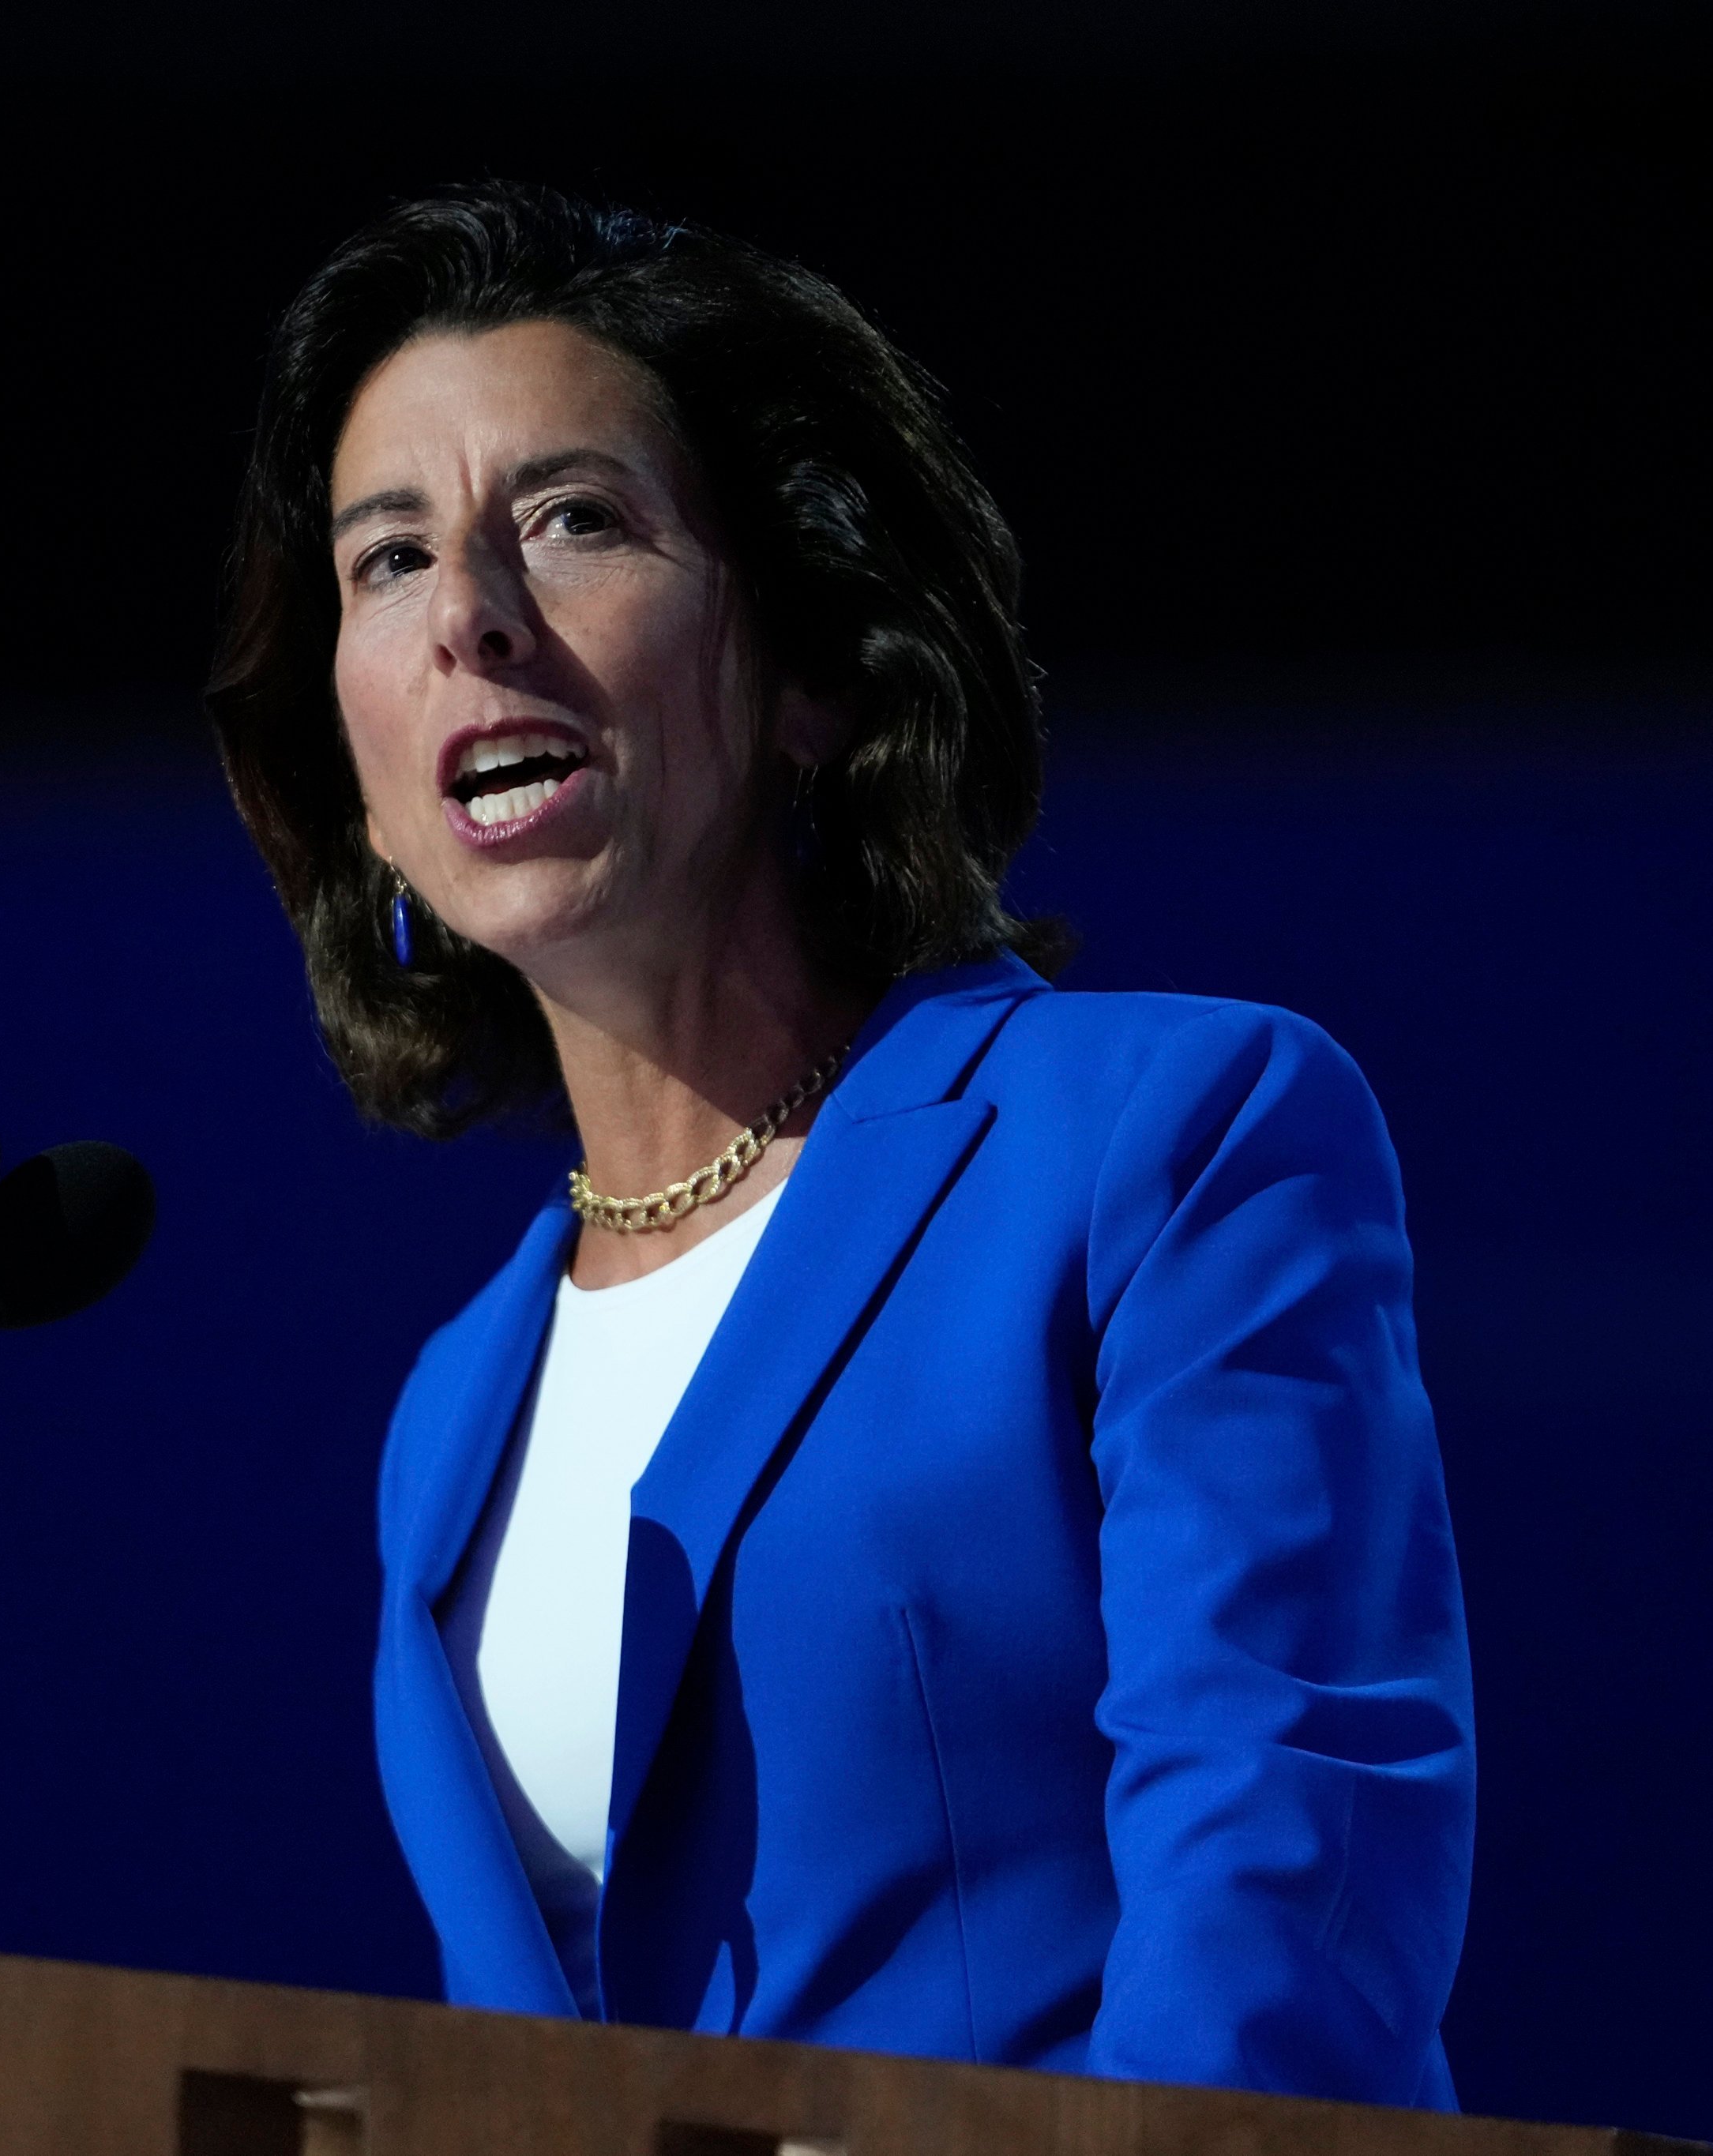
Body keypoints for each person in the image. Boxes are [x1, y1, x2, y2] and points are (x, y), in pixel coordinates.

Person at [205, 182, 1473, 2109]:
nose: (466, 614)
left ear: (805, 669)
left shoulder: (1160, 1141)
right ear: (365, 786)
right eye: (387, 559)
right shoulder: (453, 1410)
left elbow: (1282, 1886)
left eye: (573, 520)